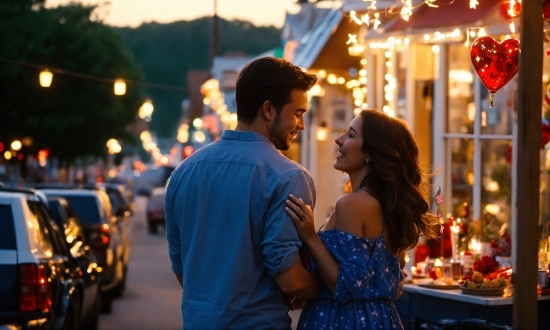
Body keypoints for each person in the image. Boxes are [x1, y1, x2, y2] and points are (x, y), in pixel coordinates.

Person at [164, 57, 321, 330]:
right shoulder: (289, 178)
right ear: (269, 109)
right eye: (297, 113)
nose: (302, 125)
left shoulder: (183, 173)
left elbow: (182, 268)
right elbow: (290, 278)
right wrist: (327, 287)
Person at [285, 109, 439, 329]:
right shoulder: (388, 207)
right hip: (382, 318)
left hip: (342, 320)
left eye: (351, 135)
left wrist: (310, 237)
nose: (339, 139)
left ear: (372, 153)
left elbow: (346, 285)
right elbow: (392, 276)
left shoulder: (352, 204)